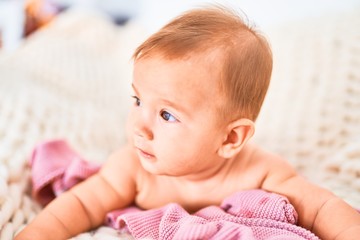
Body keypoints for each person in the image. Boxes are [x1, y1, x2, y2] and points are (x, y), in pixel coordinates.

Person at [16, 5, 360, 240]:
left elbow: (323, 206)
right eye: (137, 101)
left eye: (167, 115)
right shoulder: (133, 169)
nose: (139, 126)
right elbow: (79, 205)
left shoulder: (262, 171)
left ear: (231, 138)